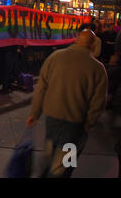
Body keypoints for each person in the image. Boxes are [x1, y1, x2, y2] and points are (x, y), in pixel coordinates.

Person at [26, 30, 108, 178]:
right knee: (64, 165)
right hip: (75, 124)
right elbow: (98, 103)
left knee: (49, 154)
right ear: (92, 45)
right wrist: (88, 124)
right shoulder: (98, 68)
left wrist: (34, 113)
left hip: (52, 119)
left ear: (77, 40)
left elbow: (41, 89)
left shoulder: (55, 57)